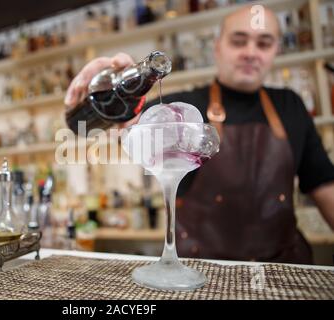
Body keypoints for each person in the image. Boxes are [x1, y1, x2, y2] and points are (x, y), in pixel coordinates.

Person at [64, 5, 334, 264]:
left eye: (264, 43)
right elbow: (101, 126)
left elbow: (324, 186)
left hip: (282, 272)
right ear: (218, 47)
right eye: (239, 41)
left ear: (276, 49)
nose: (251, 52)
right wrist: (106, 92)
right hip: (202, 274)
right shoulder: (180, 109)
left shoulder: (291, 106)